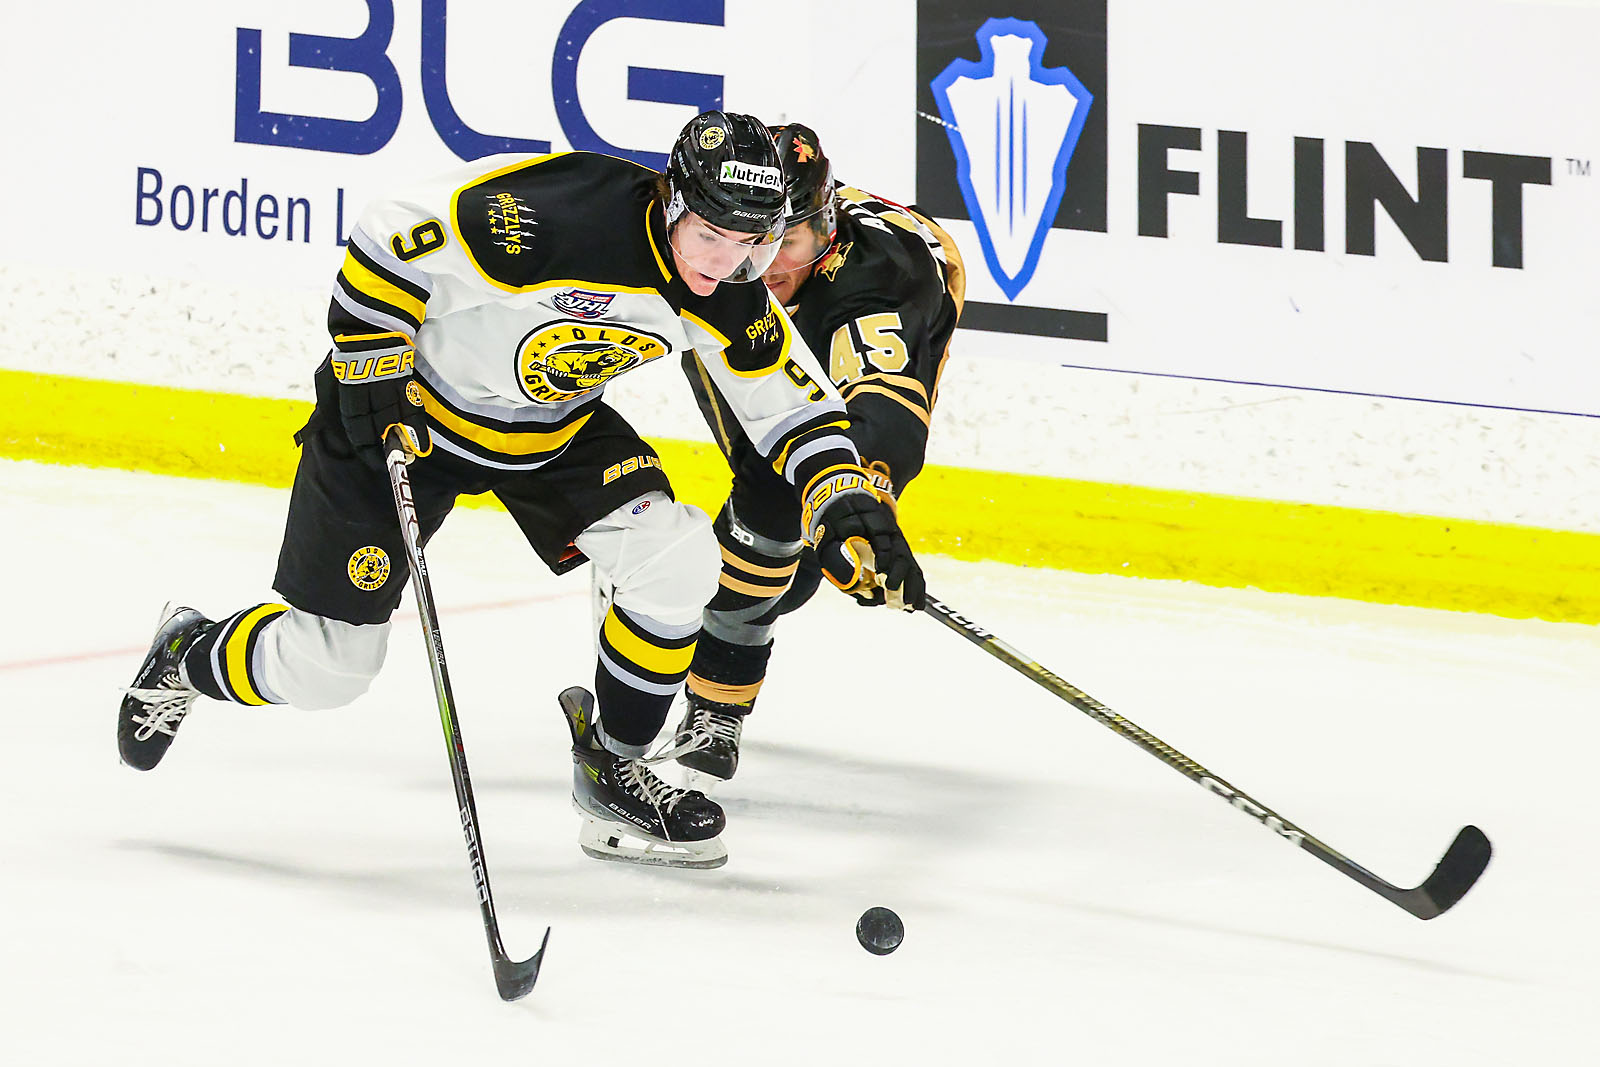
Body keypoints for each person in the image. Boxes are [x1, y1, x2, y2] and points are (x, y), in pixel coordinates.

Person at [117, 111, 924, 870]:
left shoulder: (731, 290)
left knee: (677, 560)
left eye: (750, 241)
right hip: (412, 416)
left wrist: (847, 501)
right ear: (672, 199)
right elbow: (390, 232)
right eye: (710, 233)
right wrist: (370, 352)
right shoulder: (556, 218)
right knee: (329, 667)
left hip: (551, 433)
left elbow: (793, 407)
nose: (724, 261)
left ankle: (612, 771)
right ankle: (186, 654)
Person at [672, 123, 965, 788]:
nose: (767, 259)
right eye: (756, 237)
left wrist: (863, 503)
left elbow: (883, 409)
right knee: (771, 502)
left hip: (847, 319)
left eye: (790, 239)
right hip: (743, 323)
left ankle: (716, 638)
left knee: (802, 531)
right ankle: (713, 700)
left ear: (827, 226)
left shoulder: (878, 279)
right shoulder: (724, 248)